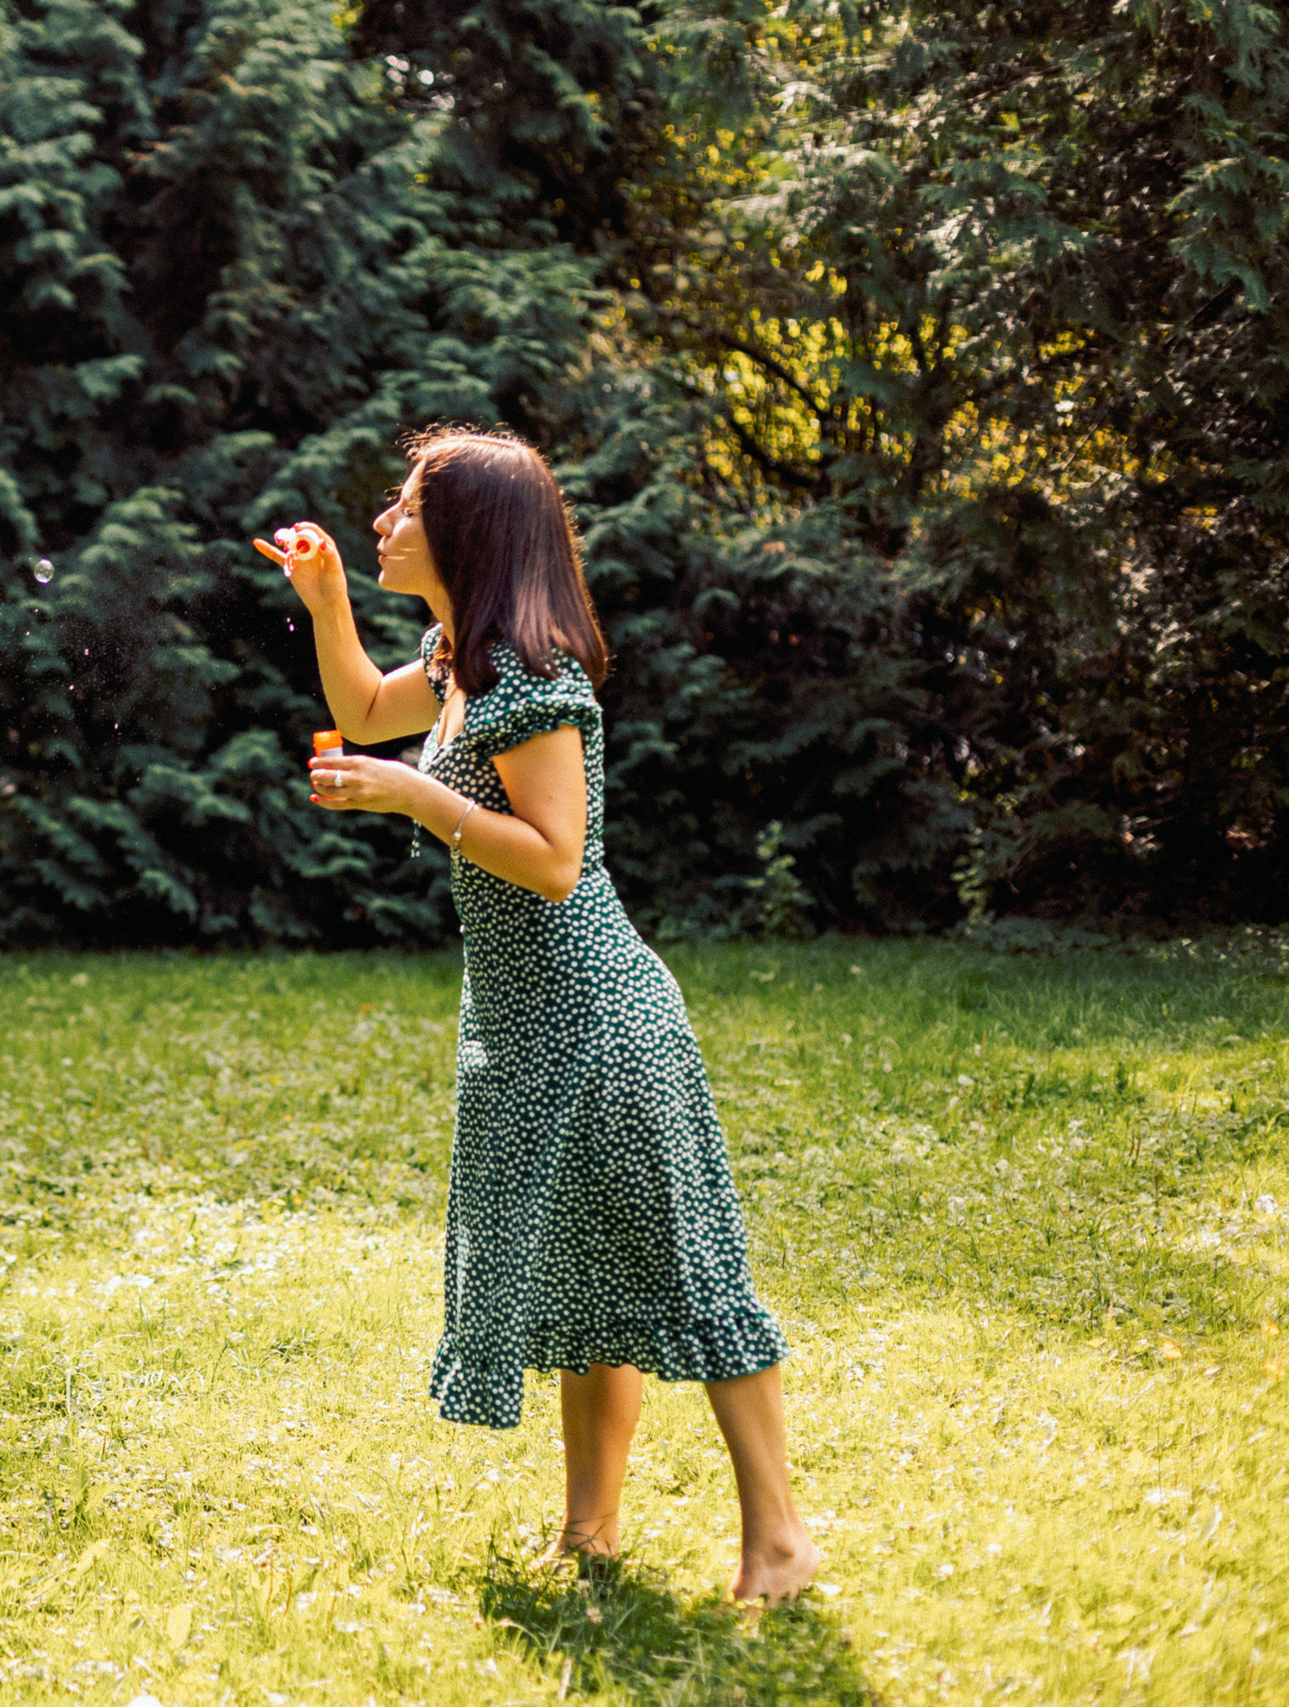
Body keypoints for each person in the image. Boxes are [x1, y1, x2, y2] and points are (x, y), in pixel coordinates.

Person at [258, 427, 821, 1604]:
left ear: (466, 530)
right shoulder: (461, 660)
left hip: (601, 1019)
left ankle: (777, 1538)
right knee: (581, 1279)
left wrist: (417, 797)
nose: (380, 524)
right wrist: (321, 601)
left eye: (405, 506)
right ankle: (589, 1531)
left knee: (689, 1272)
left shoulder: (532, 681)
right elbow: (364, 708)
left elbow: (557, 860)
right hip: (520, 1022)